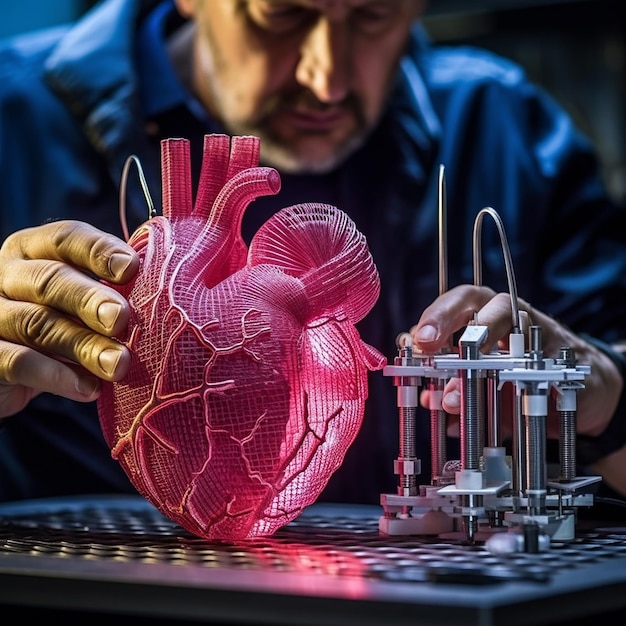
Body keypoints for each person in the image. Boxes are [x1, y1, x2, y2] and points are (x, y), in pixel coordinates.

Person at [1, 0, 626, 508]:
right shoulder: (13, 123)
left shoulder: (510, 135)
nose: (325, 78)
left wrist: (606, 399)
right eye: (283, 14)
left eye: (372, 15)